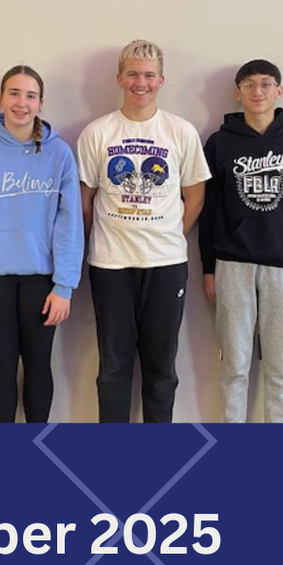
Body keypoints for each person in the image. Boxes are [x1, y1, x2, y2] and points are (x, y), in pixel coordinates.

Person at [77, 39, 210, 423]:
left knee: (161, 369)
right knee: (113, 369)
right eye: (133, 74)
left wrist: (170, 233)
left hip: (166, 263)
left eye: (149, 75)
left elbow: (195, 196)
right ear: (120, 78)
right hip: (110, 264)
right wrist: (103, 235)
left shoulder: (180, 132)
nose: (141, 82)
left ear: (161, 81)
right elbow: (84, 200)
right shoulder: (97, 133)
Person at [0, 65, 82, 423]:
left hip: (43, 281)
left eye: (30, 95)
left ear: (41, 103)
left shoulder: (60, 155)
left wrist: (65, 286)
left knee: (39, 365)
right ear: (0, 98)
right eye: (13, 93)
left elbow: (70, 223)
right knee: (1, 366)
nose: (21, 103)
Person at [200, 60, 283, 422]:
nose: (258, 91)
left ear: (279, 91)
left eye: (266, 84)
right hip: (232, 265)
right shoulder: (219, 143)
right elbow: (209, 209)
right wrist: (208, 267)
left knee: (280, 369)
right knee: (235, 366)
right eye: (249, 85)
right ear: (238, 92)